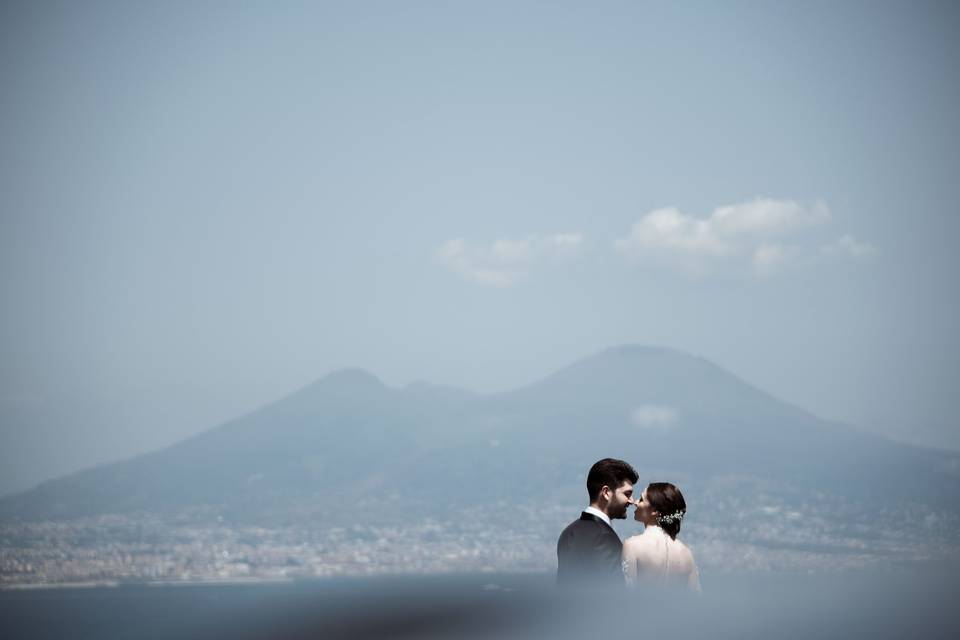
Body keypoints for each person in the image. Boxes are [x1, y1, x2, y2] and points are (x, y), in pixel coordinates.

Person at [556, 458, 638, 588]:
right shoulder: (604, 538)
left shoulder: (568, 532)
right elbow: (614, 593)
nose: (632, 501)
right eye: (627, 494)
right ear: (606, 492)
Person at [621, 482, 700, 591]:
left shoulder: (633, 546)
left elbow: (627, 595)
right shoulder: (686, 554)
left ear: (654, 511)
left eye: (642, 499)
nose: (635, 502)